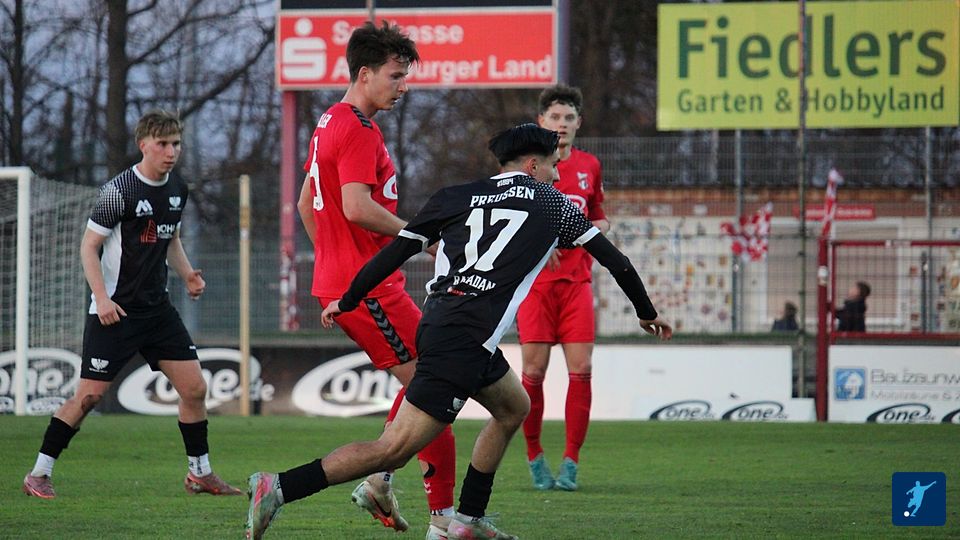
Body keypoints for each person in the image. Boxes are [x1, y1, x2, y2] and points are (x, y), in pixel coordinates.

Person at [245, 124, 673, 540]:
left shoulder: (455, 196)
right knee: (393, 449)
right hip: (464, 339)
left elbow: (395, 253)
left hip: (445, 324)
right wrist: (646, 312)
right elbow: (615, 261)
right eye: (553, 166)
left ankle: (469, 519)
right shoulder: (553, 203)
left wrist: (351, 296)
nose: (558, 175)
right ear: (532, 166)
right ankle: (279, 487)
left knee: (514, 407)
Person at [21, 110, 241, 499]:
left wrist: (188, 274)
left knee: (194, 389)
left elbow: (170, 238)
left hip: (157, 312)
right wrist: (102, 298)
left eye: (176, 144)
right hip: (115, 313)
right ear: (144, 145)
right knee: (88, 397)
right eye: (163, 144)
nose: (171, 152)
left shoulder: (178, 189)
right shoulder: (119, 191)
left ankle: (200, 473)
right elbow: (88, 247)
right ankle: (39, 473)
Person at [294, 21, 456, 539]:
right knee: (436, 392)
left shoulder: (328, 120)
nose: (402, 86)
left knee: (428, 383)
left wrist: (334, 263)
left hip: (358, 283)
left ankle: (383, 482)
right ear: (364, 74)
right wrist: (421, 237)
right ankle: (445, 520)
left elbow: (306, 204)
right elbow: (357, 208)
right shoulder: (359, 128)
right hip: (370, 289)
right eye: (395, 75)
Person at [516, 84, 609, 492]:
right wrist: (542, 240)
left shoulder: (590, 165)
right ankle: (534, 455)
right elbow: (514, 220)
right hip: (536, 287)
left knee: (582, 370)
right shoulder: (530, 167)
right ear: (541, 122)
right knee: (533, 372)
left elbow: (600, 217)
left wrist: (593, 229)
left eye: (569, 117)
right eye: (554, 117)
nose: (562, 124)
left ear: (578, 123)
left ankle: (571, 462)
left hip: (577, 284)